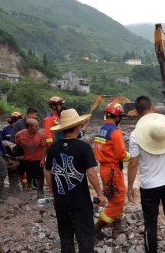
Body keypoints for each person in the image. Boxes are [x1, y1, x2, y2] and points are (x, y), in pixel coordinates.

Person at [127, 96, 165, 253]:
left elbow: (133, 164)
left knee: (151, 224)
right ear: (152, 108)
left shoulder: (135, 135)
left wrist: (130, 187)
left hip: (150, 187)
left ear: (137, 113)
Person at [45, 109, 106, 252]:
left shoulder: (53, 147)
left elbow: (48, 172)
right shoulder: (83, 147)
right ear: (78, 127)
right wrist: (100, 193)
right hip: (80, 202)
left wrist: (53, 194)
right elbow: (91, 173)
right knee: (85, 237)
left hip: (61, 202)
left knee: (66, 238)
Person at [94, 102, 131, 238]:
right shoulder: (115, 131)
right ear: (117, 117)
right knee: (118, 201)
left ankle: (117, 228)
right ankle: (97, 227)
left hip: (104, 169)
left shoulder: (101, 130)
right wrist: (130, 157)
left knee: (114, 198)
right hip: (113, 170)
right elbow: (121, 154)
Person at [15, 119, 47, 199]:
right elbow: (17, 144)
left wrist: (43, 159)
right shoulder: (20, 134)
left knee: (39, 176)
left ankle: (40, 191)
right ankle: (24, 187)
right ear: (29, 128)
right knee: (20, 172)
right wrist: (20, 154)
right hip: (25, 158)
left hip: (37, 159)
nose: (38, 128)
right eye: (36, 126)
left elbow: (44, 147)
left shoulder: (41, 135)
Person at [10, 107, 39, 190]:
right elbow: (13, 137)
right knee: (21, 169)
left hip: (31, 150)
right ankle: (23, 185)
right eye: (35, 115)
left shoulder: (34, 124)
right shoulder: (19, 124)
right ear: (30, 114)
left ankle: (30, 185)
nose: (36, 117)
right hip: (21, 150)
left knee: (31, 168)